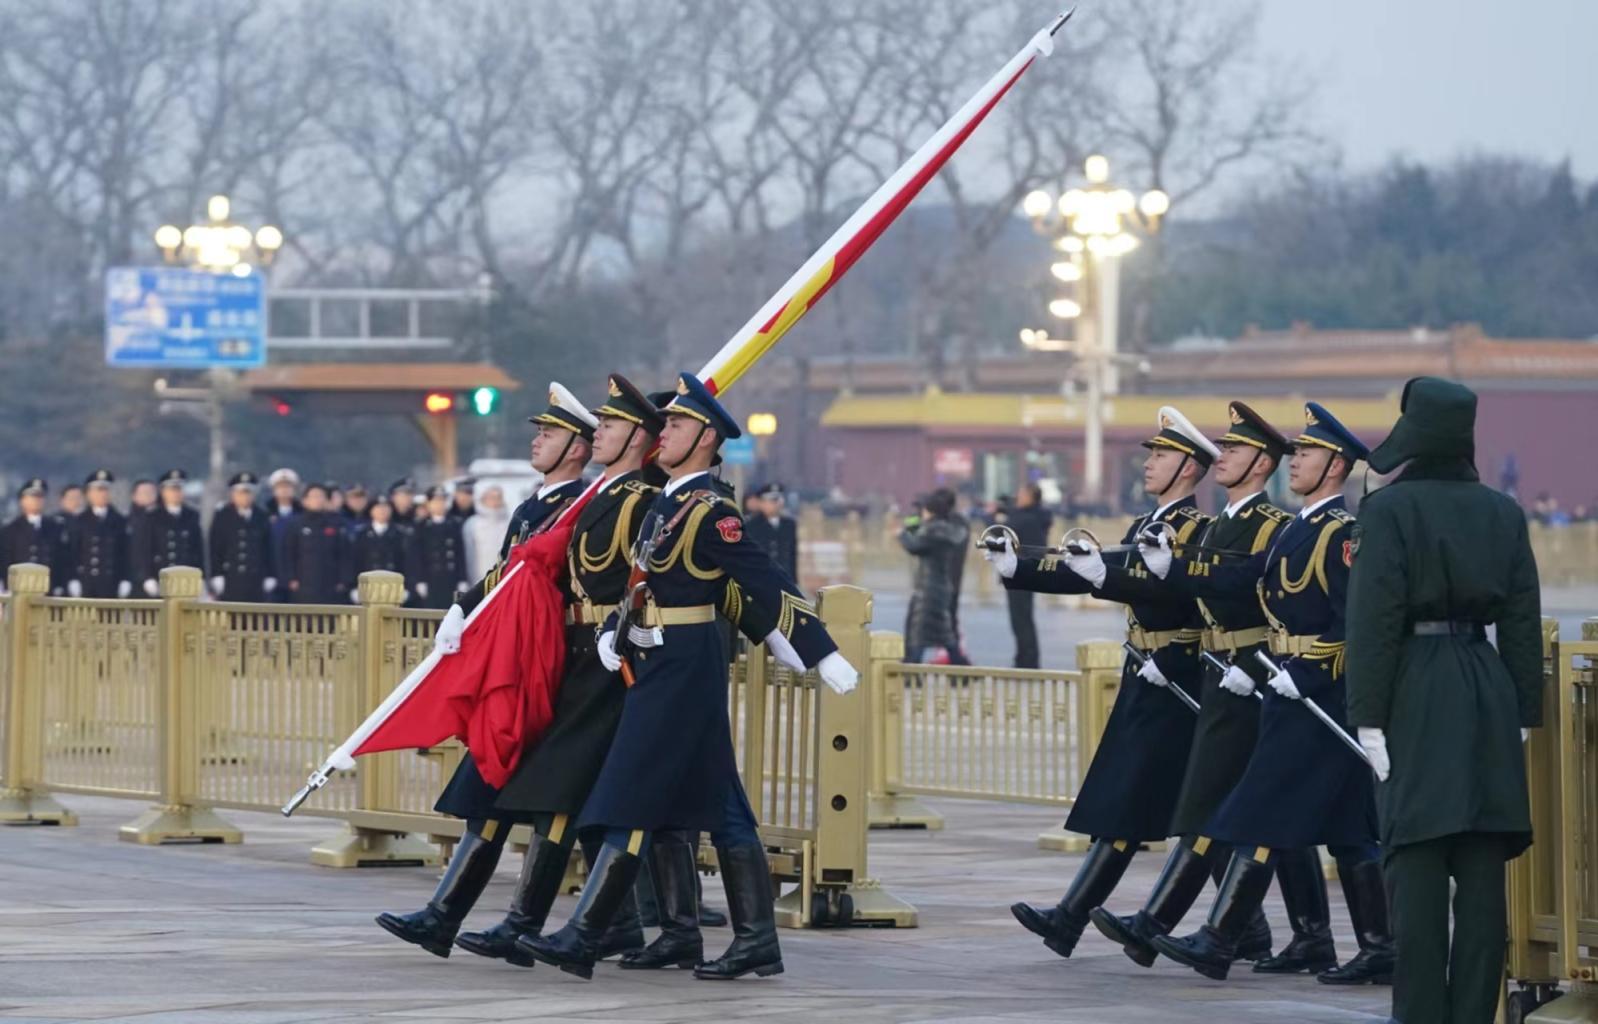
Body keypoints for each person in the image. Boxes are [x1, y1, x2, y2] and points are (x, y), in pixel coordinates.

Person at [516, 372, 860, 982]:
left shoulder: (710, 509)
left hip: (685, 661)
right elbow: (641, 581)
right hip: (656, 654)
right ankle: (749, 939)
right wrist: (613, 632)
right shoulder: (669, 502)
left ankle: (585, 933)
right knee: (717, 804)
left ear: (704, 438)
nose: (662, 433)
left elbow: (760, 578)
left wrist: (816, 647)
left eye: (674, 425)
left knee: (626, 793)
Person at [1142, 403, 1393, 985]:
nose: (1295, 461)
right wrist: (1172, 568)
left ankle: (1219, 936)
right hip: (1287, 693)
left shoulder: (1341, 533)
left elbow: (1354, 620)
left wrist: (1305, 673)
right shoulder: (1300, 527)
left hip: (1318, 699)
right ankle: (1377, 945)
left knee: (1260, 810)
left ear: (1335, 467)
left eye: (1305, 454)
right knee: (1349, 829)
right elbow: (1244, 579)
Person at [377, 382, 604, 957]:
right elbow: (504, 575)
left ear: (577, 448)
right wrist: (462, 605)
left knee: (539, 797)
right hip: (517, 659)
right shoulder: (532, 507)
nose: (537, 441)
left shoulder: (585, 506)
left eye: (550, 434)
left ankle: (518, 924)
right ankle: (443, 916)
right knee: (488, 784)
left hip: (551, 665)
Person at [1346, 378, 1543, 1024]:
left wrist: (1367, 716)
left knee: (1418, 874)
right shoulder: (1503, 512)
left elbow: (1373, 622)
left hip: (1415, 687)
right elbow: (1520, 620)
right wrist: (1522, 712)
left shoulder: (1390, 511)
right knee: (1484, 884)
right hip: (1486, 686)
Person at [1088, 404, 1309, 971]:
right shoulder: (1220, 525)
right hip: (1218, 678)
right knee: (1255, 814)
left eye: (1233, 451)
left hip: (1250, 681)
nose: (1223, 458)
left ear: (1262, 463)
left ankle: (1168, 927)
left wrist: (1255, 668)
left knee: (1226, 809)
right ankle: (1278, 936)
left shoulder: (1273, 526)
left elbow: (1267, 600)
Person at [993, 407, 1217, 962]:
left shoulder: (1194, 531)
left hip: (1178, 682)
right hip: (1145, 676)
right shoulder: (1148, 526)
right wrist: (1017, 567)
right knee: (1158, 803)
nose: (1149, 465)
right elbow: (1093, 569)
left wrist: (1105, 577)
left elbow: (1183, 596)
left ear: (1189, 469)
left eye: (1162, 456)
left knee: (1156, 803)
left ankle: (1070, 919)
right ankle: (1072, 919)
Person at [899, 488, 970, 664]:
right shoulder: (951, 529)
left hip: (929, 588)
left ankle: (910, 670)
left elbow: (915, 546)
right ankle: (960, 667)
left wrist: (903, 534)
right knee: (946, 635)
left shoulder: (933, 531)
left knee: (919, 634)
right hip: (943, 586)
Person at [998, 484, 1052, 668]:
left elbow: (1000, 530)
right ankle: (1025, 659)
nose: (1017, 497)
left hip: (1020, 572)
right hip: (1026, 572)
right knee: (1022, 619)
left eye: (1021, 494)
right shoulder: (1036, 516)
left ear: (1030, 497)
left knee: (1021, 620)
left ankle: (1027, 662)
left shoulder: (1025, 518)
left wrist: (995, 516)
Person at [131, 469, 206, 596]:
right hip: (160, 577)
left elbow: (198, 550)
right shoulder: (152, 516)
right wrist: (147, 577)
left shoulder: (192, 515)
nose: (176, 493)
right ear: (163, 491)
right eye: (172, 489)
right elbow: (143, 549)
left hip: (185, 579)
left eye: (179, 489)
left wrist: (201, 575)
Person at [208, 472, 275, 602]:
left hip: (256, 579)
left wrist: (270, 574)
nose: (245, 496)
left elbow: (269, 548)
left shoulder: (262, 516)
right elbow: (215, 549)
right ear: (233, 494)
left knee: (256, 619)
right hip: (230, 578)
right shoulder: (222, 516)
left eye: (248, 492)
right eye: (241, 492)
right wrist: (216, 575)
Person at [282, 483, 350, 604]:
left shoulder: (336, 524)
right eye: (313, 496)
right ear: (305, 500)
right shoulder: (295, 524)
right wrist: (290, 578)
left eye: (321, 496)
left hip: (330, 583)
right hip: (303, 582)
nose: (317, 500)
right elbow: (288, 553)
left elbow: (344, 554)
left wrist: (344, 580)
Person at [70, 470, 132, 599]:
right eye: (98, 490)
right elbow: (72, 552)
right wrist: (72, 578)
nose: (103, 494)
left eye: (106, 490)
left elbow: (126, 552)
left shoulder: (119, 520)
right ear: (88, 493)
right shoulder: (80, 520)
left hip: (112, 582)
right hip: (86, 582)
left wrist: (126, 578)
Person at [1, 478, 69, 595]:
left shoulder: (55, 528)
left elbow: (62, 560)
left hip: (48, 590)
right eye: (33, 496)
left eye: (40, 497)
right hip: (18, 589)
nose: (37, 500)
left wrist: (61, 585)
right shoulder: (10, 530)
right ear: (22, 500)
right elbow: (5, 559)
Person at [406, 486, 469, 610]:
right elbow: (416, 556)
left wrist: (462, 578)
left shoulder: (454, 525)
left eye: (442, 501)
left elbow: (460, 554)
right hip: (430, 579)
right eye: (435, 501)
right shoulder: (420, 526)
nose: (439, 504)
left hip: (451, 579)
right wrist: (419, 580)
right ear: (428, 504)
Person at [348, 495, 407, 598]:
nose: (382, 511)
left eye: (386, 507)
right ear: (371, 510)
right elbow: (354, 561)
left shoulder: (400, 534)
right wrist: (353, 587)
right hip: (367, 585)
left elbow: (407, 562)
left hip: (393, 586)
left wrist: (407, 588)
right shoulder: (361, 534)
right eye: (378, 507)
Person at [742, 482, 798, 579]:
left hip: (784, 577)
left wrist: (794, 580)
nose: (777, 504)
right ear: (761, 503)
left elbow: (792, 555)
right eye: (772, 501)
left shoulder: (789, 524)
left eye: (778, 500)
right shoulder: (751, 525)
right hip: (761, 578)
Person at [264, 468, 302, 602]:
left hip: (297, 577)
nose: (284, 490)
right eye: (280, 486)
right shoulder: (264, 514)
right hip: (272, 575)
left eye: (288, 486)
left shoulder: (302, 514)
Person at [462, 485, 508, 582]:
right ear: (483, 500)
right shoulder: (472, 524)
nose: (495, 502)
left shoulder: (509, 523)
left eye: (498, 497)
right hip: (479, 579)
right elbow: (466, 555)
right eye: (491, 498)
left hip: (503, 578)